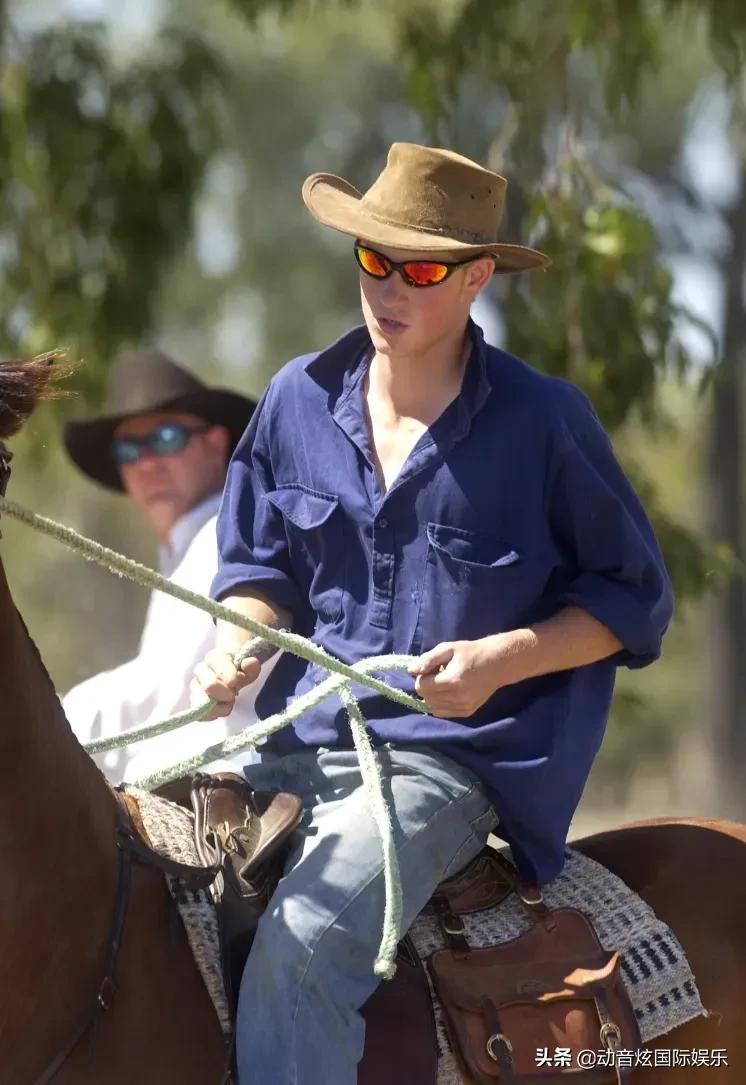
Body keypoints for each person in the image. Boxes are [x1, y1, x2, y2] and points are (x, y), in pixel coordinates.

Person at [192, 143, 673, 1085]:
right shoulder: (293, 400)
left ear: (477, 278)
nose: (388, 287)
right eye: (373, 260)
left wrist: (503, 658)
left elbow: (633, 599)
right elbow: (256, 571)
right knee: (149, 915)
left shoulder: (545, 422)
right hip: (293, 746)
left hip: (443, 770)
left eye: (418, 269)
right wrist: (231, 640)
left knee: (297, 952)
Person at [62, 349, 273, 784]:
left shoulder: (227, 532)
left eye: (166, 439)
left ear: (216, 445)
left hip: (248, 769)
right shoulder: (188, 547)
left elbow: (166, 692)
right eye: (130, 448)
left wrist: (47, 722)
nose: (147, 462)